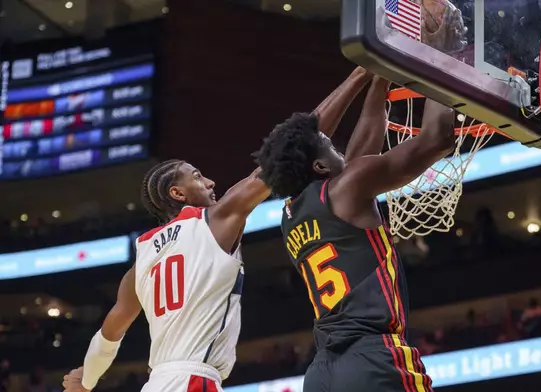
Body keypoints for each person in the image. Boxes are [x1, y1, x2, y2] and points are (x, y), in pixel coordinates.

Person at [61, 67, 374, 392]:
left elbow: (108, 336)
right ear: (177, 194)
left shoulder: (140, 264)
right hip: (191, 381)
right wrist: (360, 75)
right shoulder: (212, 222)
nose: (210, 182)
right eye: (196, 176)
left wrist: (86, 380)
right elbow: (293, 148)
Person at [255, 76, 455, 392]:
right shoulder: (348, 187)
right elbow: (437, 139)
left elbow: (361, 155)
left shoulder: (291, 217)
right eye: (332, 147)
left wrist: (379, 82)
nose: (342, 153)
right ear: (320, 167)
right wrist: (441, 62)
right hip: (373, 357)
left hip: (321, 373)